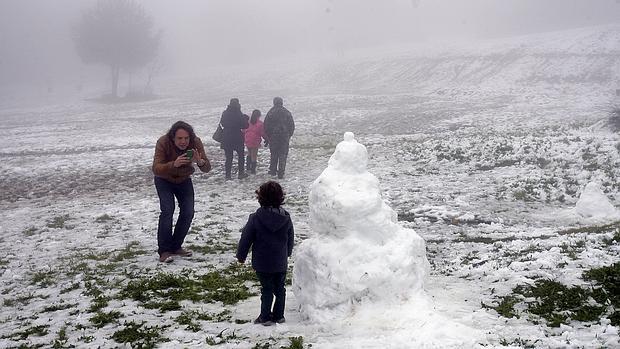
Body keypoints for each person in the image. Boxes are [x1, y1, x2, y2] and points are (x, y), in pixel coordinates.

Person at [152, 121, 211, 263]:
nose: (183, 142)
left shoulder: (195, 142)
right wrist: (174, 164)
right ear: (173, 138)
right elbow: (156, 168)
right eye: (179, 138)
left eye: (186, 138)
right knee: (167, 211)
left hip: (184, 179)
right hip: (164, 179)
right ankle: (164, 251)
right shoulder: (163, 142)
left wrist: (200, 162)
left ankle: (176, 246)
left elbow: (207, 167)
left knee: (188, 212)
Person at [236, 181, 294, 326]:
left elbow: (246, 238)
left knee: (267, 289)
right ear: (281, 197)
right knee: (280, 288)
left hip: (263, 263)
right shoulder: (286, 218)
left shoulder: (255, 218)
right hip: (280, 261)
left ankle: (265, 317)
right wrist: (288, 252)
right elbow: (290, 237)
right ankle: (279, 315)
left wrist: (241, 255)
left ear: (260, 197)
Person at [263, 97, 295, 179]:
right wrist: (288, 135)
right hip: (284, 137)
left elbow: (266, 125)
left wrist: (269, 135)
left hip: (273, 137)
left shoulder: (270, 112)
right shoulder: (287, 112)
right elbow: (292, 125)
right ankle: (281, 172)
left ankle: (273, 170)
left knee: (274, 154)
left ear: (274, 102)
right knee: (283, 154)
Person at [220, 98, 250, 180]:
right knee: (241, 156)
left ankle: (228, 176)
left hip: (226, 137)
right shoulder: (238, 113)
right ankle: (241, 173)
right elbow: (245, 125)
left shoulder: (225, 113)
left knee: (229, 157)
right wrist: (245, 119)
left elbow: (222, 123)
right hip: (237, 137)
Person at [244, 109, 267, 175]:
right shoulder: (260, 123)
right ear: (258, 116)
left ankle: (248, 167)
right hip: (255, 140)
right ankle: (253, 170)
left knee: (249, 153)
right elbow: (263, 133)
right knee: (254, 155)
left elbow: (243, 130)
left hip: (247, 139)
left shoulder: (248, 122)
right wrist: (266, 139)